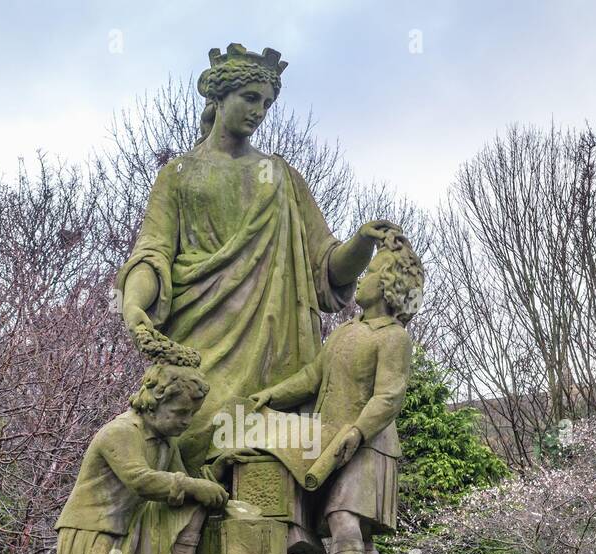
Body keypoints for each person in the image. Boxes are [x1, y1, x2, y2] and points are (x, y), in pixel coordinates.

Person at [117, 43, 393, 471]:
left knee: (262, 458)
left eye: (267, 103)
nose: (259, 111)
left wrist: (361, 243)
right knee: (189, 436)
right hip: (199, 338)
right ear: (218, 98)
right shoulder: (178, 175)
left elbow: (328, 268)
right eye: (250, 98)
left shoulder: (281, 178)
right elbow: (152, 254)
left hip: (276, 351)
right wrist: (133, 304)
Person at [248, 230, 424, 554]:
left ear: (389, 285)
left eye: (370, 273)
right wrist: (271, 395)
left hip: (367, 446)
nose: (360, 278)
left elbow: (389, 396)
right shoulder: (344, 333)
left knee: (345, 520)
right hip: (328, 441)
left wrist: (358, 431)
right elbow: (313, 377)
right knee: (359, 535)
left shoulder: (393, 338)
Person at [39, 364, 229, 554]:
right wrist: (191, 485)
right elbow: (141, 481)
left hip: (134, 524)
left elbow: (180, 484)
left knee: (192, 504)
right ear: (153, 403)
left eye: (192, 414)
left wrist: (212, 479)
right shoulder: (120, 432)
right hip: (96, 529)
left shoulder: (167, 442)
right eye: (180, 413)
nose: (187, 421)